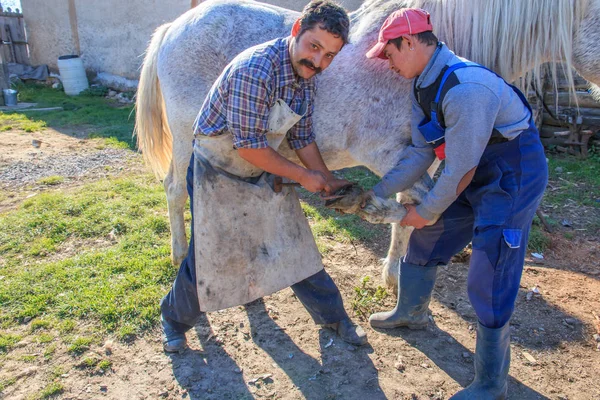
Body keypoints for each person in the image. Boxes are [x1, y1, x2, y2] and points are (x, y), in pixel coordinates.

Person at [160, 0, 367, 354]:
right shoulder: (256, 70)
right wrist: (304, 177)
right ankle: (173, 319)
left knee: (297, 247)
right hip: (218, 168)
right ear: (296, 29)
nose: (318, 62)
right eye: (313, 47)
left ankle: (335, 317)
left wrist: (327, 179)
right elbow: (249, 147)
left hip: (262, 166)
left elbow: (301, 136)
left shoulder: (307, 78)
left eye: (329, 56)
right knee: (209, 256)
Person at [363, 8, 548, 399]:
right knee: (430, 235)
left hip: (513, 170)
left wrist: (425, 208)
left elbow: (459, 169)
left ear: (409, 42)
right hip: (474, 166)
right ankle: (411, 312)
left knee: (491, 262)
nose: (388, 63)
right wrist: (377, 194)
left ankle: (490, 383)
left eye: (390, 54)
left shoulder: (466, 89)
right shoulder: (421, 87)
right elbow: (419, 154)